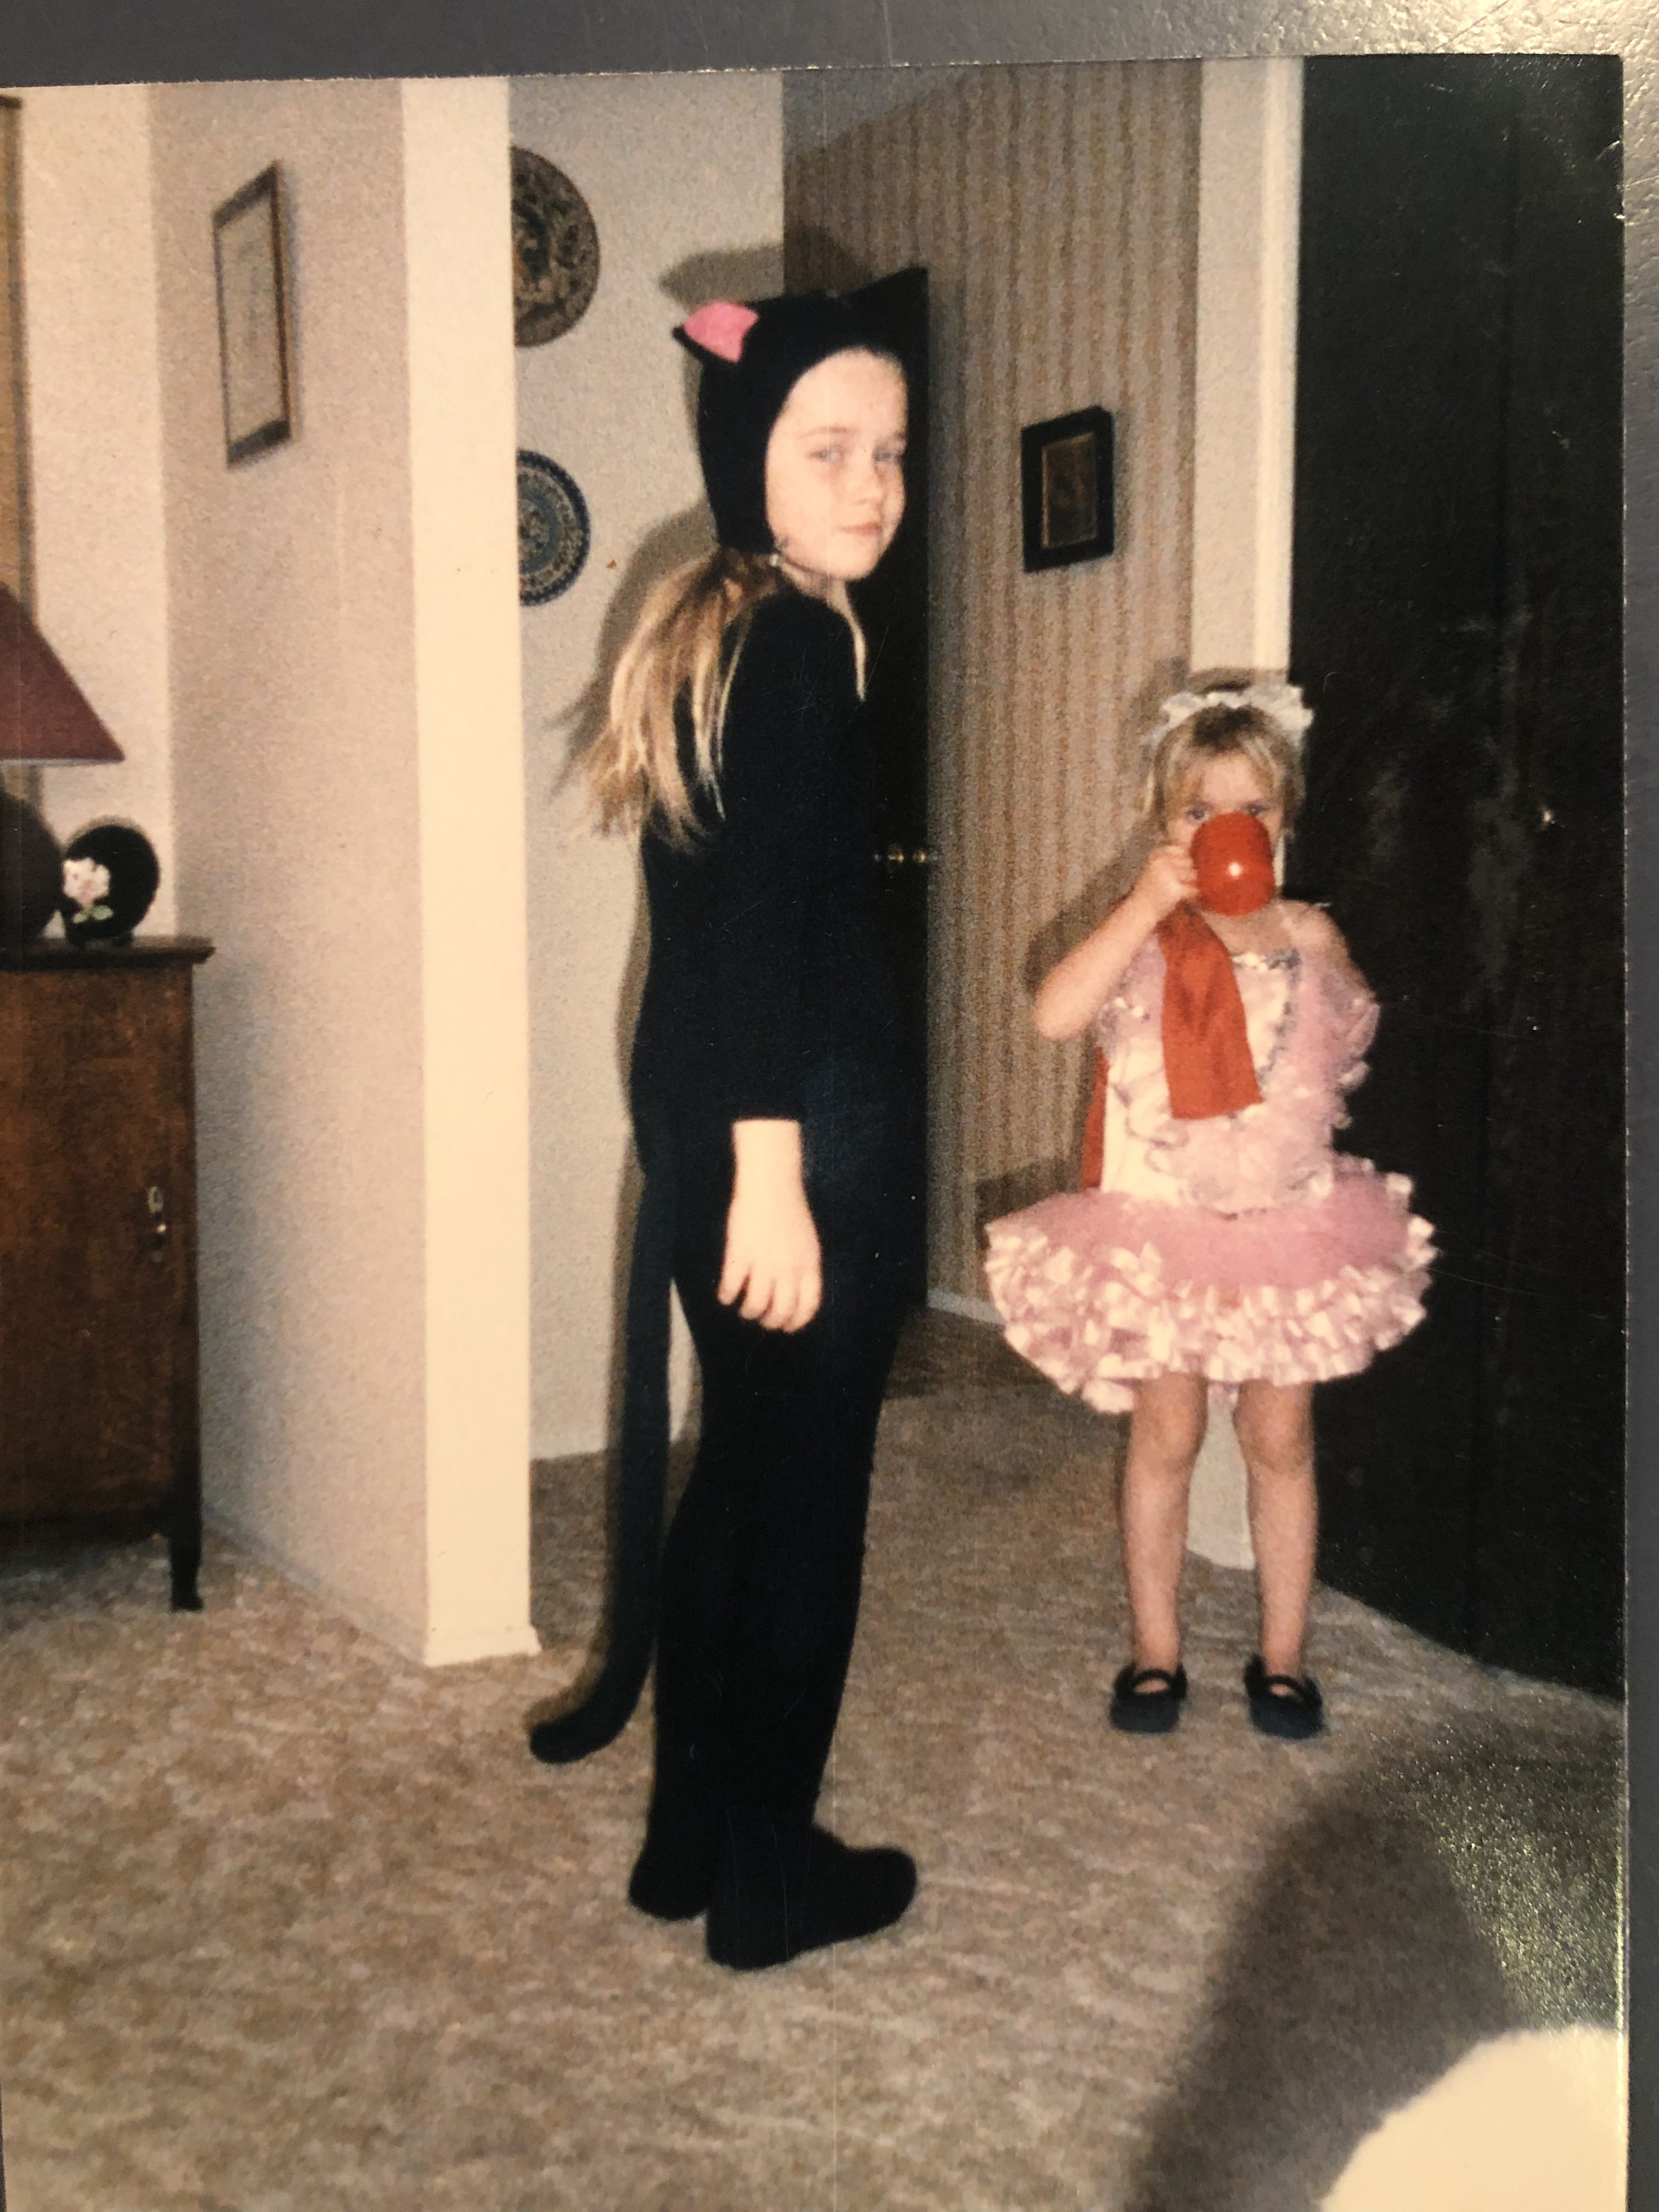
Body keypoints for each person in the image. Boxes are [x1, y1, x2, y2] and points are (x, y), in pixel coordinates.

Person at [529, 289, 921, 1970]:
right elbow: (762, 926)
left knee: (740, 1478)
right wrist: (776, 1173)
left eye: (892, 451)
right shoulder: (797, 645)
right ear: (746, 453)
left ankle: (691, 1841)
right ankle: (770, 1881)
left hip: (708, 1107)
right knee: (808, 1497)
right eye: (827, 448)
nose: (873, 481)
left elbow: (700, 933)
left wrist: (712, 1145)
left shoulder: (715, 620)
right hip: (798, 1126)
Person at [984, 686, 1434, 1740]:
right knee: (1169, 1430)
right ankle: (1156, 1650)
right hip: (1161, 1234)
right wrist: (1143, 906)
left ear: (1286, 825)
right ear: (1162, 826)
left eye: (1254, 811)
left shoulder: (1307, 929)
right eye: (1198, 812)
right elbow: (1055, 1014)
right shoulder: (1149, 932)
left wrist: (1321, 953)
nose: (1226, 831)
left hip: (1283, 1231)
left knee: (1281, 1436)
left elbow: (1352, 1035)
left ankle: (1283, 1658)